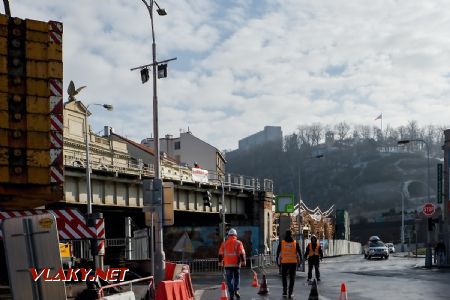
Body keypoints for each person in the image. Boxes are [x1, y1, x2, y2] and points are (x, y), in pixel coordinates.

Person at [218, 228, 246, 300]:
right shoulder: (238, 243)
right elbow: (241, 253)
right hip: (236, 264)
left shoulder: (224, 243)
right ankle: (236, 290)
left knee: (229, 280)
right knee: (237, 278)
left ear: (228, 235)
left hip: (227, 264)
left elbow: (220, 254)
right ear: (235, 235)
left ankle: (231, 294)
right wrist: (243, 261)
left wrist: (220, 262)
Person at [276, 230, 302, 298]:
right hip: (293, 263)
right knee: (292, 278)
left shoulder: (282, 243)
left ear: (285, 234)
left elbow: (278, 253)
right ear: (291, 235)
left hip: (284, 262)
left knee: (284, 277)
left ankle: (285, 291)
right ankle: (290, 292)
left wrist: (278, 263)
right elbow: (299, 253)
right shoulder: (295, 243)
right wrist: (300, 262)